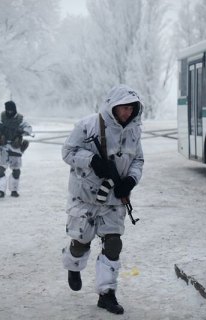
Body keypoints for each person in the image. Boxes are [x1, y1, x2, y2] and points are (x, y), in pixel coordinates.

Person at [61, 84, 144, 315]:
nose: (127, 112)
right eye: (123, 108)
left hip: (114, 199)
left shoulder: (135, 131)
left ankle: (107, 294)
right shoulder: (87, 125)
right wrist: (92, 161)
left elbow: (138, 161)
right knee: (81, 243)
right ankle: (73, 265)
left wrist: (130, 181)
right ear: (112, 107)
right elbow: (67, 152)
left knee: (114, 244)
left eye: (131, 108)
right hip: (85, 197)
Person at [0, 100, 32, 198]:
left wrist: (22, 131)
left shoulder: (20, 119)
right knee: (0, 169)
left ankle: (14, 190)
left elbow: (29, 129)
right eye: (8, 110)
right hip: (2, 147)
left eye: (12, 110)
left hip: (15, 147)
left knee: (16, 170)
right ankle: (0, 190)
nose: (10, 112)